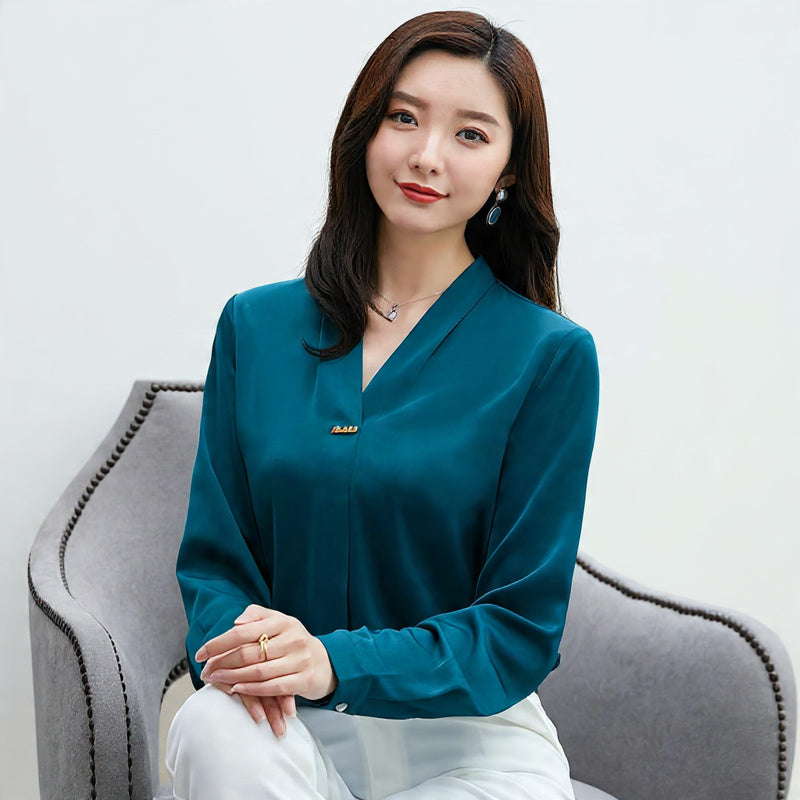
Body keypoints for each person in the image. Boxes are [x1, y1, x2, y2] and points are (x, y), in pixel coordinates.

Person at [166, 9, 600, 800]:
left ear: (508, 170)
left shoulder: (548, 356)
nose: (427, 154)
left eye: (470, 134)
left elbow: (519, 625)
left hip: (468, 742)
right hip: (282, 719)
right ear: (365, 130)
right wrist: (252, 655)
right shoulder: (254, 328)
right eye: (404, 118)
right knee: (207, 725)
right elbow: (216, 565)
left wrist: (335, 661)